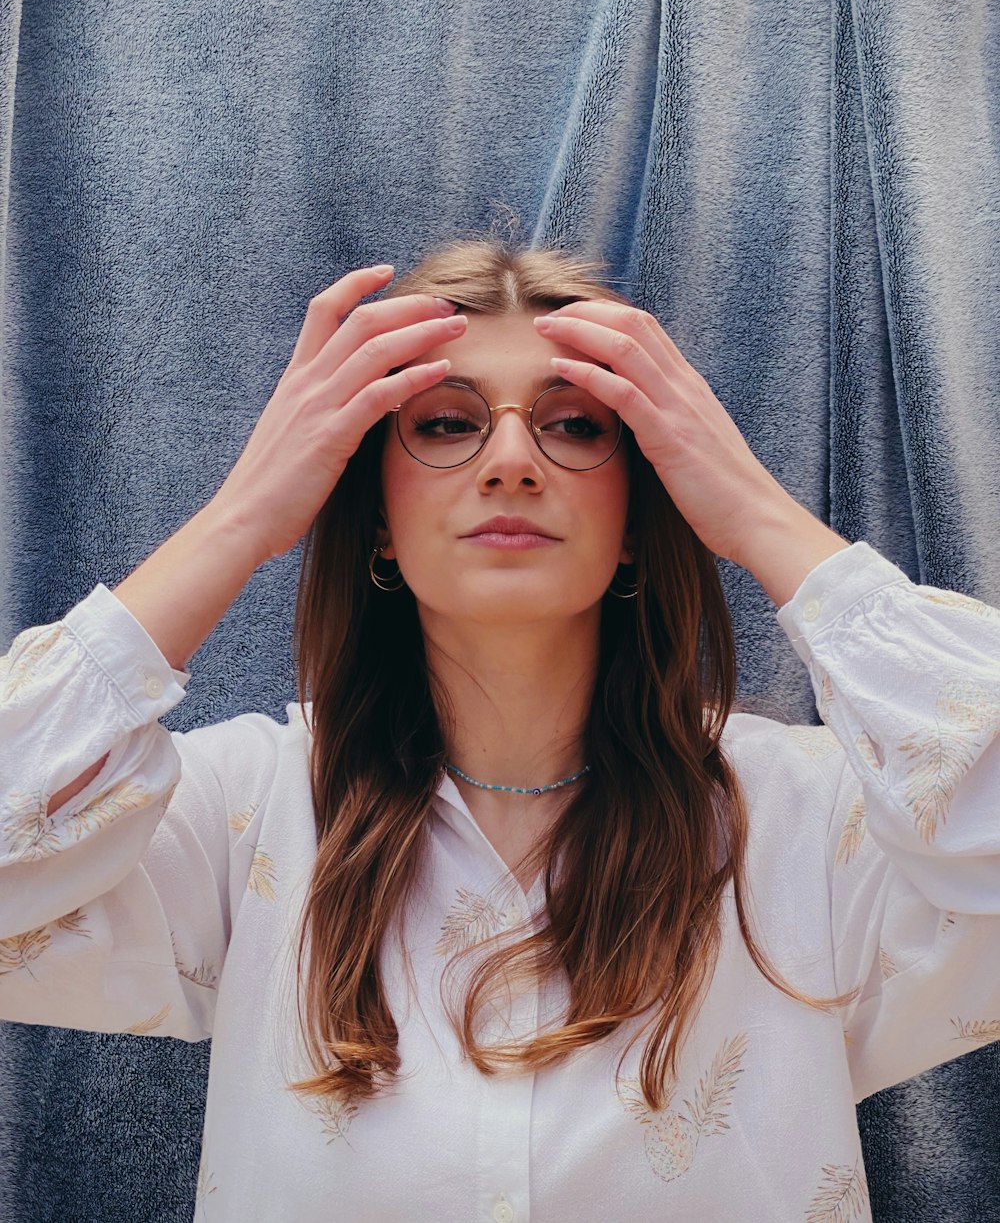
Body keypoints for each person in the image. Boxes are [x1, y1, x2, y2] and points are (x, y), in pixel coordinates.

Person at [1, 240, 999, 1223]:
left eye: (572, 426)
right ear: (374, 515)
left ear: (641, 507)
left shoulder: (816, 825)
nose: (513, 463)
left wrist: (756, 515)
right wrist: (240, 518)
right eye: (443, 424)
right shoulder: (243, 816)